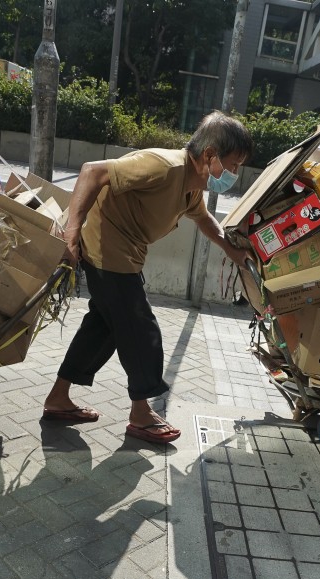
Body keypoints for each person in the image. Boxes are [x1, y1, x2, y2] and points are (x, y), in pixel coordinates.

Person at [42, 111, 254, 444]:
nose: (235, 174)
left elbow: (204, 219)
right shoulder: (164, 165)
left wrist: (232, 250)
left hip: (124, 255)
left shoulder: (191, 186)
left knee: (104, 327)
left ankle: (58, 398)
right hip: (105, 249)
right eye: (233, 164)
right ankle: (141, 415)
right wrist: (71, 235)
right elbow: (91, 172)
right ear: (210, 155)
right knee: (140, 329)